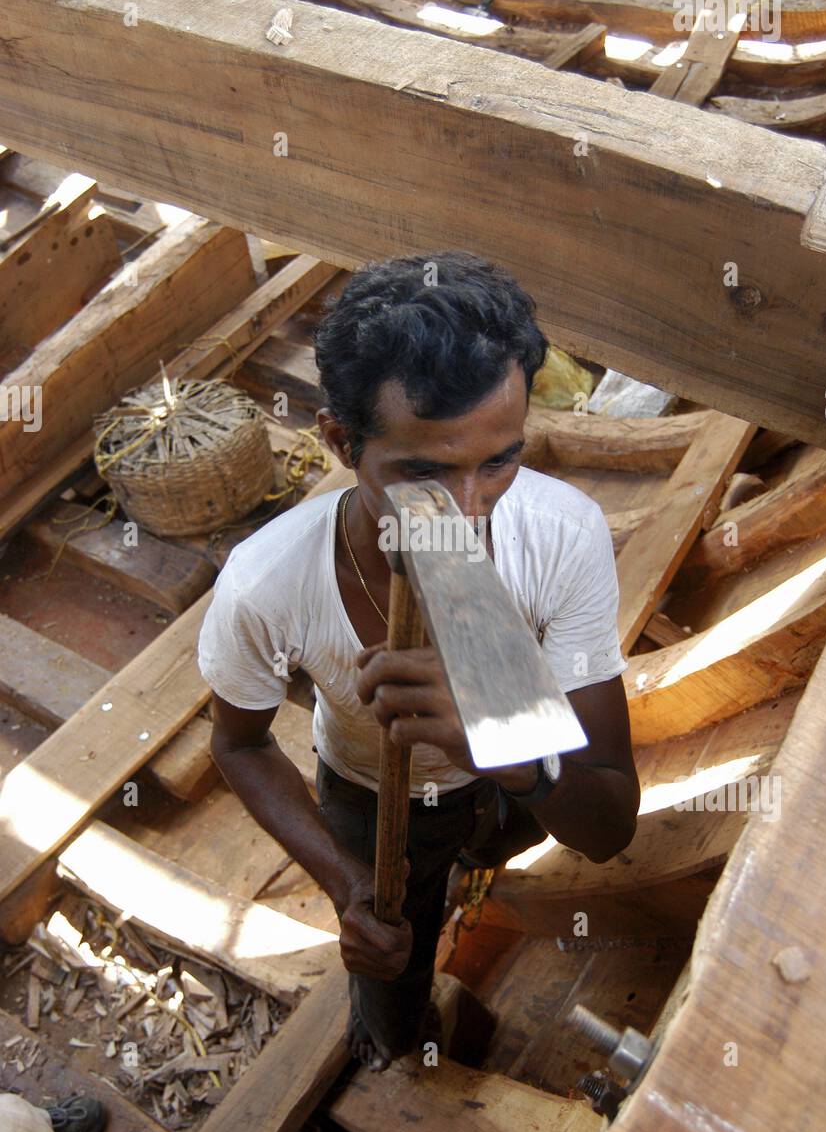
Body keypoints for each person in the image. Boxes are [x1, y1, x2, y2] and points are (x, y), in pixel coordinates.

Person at [198, 250, 640, 1072]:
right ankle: (406, 1036)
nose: (466, 512)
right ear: (338, 441)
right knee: (394, 996)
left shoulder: (564, 534)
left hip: (514, 781)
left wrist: (503, 746)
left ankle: (476, 857)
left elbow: (607, 829)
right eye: (422, 472)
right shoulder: (266, 582)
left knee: (495, 839)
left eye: (499, 460)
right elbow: (240, 743)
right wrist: (346, 884)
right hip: (371, 804)